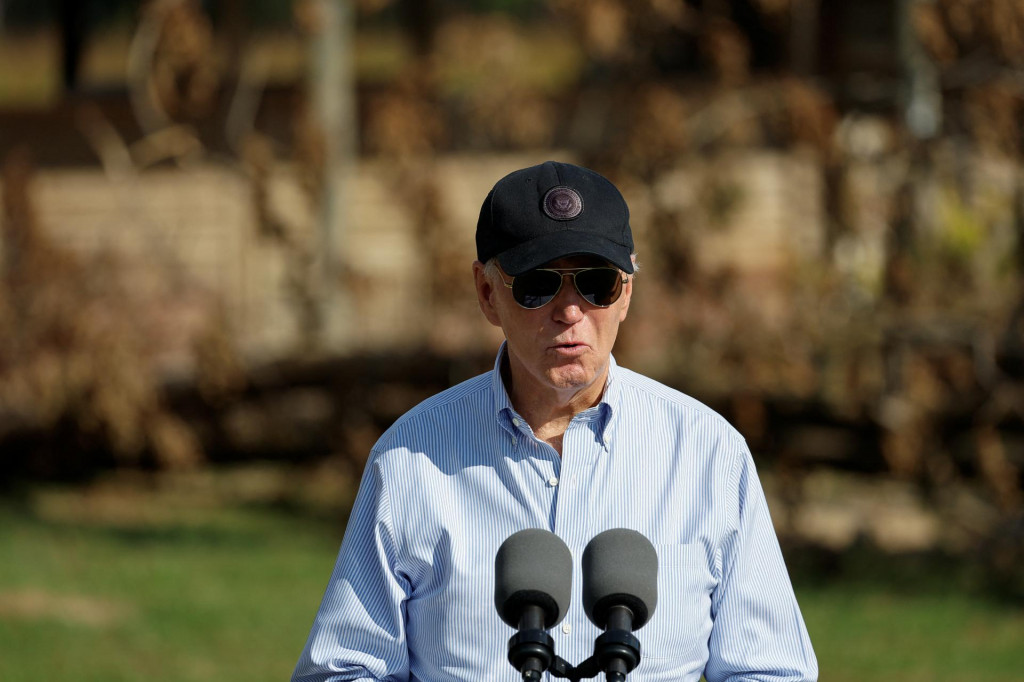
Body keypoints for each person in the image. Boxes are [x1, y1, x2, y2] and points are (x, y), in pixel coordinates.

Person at [292, 161, 818, 682]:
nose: (570, 311)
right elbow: (343, 670)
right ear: (486, 293)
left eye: (596, 283)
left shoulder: (709, 454)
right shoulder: (409, 458)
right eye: (538, 285)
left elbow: (771, 670)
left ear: (627, 291)